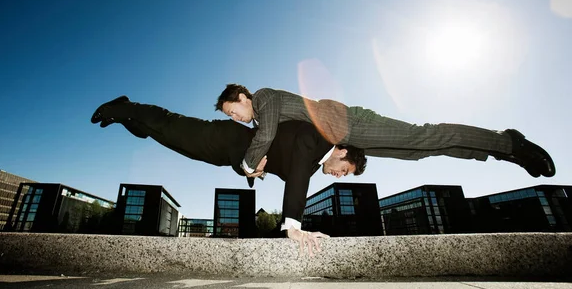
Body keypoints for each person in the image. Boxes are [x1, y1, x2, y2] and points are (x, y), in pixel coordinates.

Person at [91, 96, 367, 256]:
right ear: (341, 151)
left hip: (226, 156)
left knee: (175, 142)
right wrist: (292, 226)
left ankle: (134, 121)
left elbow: (290, 172)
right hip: (228, 140)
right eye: (344, 170)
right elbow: (297, 181)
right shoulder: (313, 139)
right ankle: (124, 107)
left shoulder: (309, 165)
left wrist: (256, 171)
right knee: (174, 126)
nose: (338, 176)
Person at [215, 84, 556, 179]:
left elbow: (265, 136)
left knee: (426, 136)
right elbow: (274, 141)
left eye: (234, 111)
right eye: (233, 116)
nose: (238, 118)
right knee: (420, 152)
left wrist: (248, 165)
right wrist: (263, 166)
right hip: (348, 139)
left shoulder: (263, 99)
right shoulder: (261, 118)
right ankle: (495, 151)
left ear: (243, 97)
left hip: (352, 124)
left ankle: (508, 140)